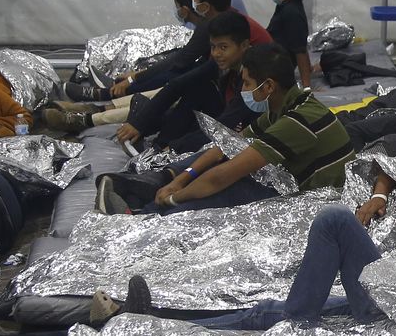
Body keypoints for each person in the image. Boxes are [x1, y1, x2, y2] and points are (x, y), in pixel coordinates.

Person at [151, 191, 396, 329]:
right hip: (375, 273)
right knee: (267, 308)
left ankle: (296, 318)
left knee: (333, 219)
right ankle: (152, 319)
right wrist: (379, 198)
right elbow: (394, 164)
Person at [96, 44, 352, 214]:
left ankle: (147, 214)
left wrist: (177, 197)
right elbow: (225, 147)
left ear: (269, 86)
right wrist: (182, 180)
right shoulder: (285, 106)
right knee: (219, 153)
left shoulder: (297, 120)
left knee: (232, 186)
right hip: (290, 179)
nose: (243, 90)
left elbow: (225, 174)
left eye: (248, 83)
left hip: (316, 202)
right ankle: (159, 182)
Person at [113, 10, 259, 147]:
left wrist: (176, 147)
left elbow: (225, 124)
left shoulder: (253, 77)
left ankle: (163, 148)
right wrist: (139, 123)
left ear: (244, 45)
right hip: (222, 113)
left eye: (223, 47)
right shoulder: (223, 62)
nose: (216, 53)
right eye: (213, 47)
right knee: (195, 87)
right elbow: (177, 85)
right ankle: (159, 144)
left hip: (239, 130)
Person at [267, 0, 316, 91]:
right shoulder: (285, 5)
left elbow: (300, 51)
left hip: (274, 66)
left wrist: (307, 88)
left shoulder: (292, 13)